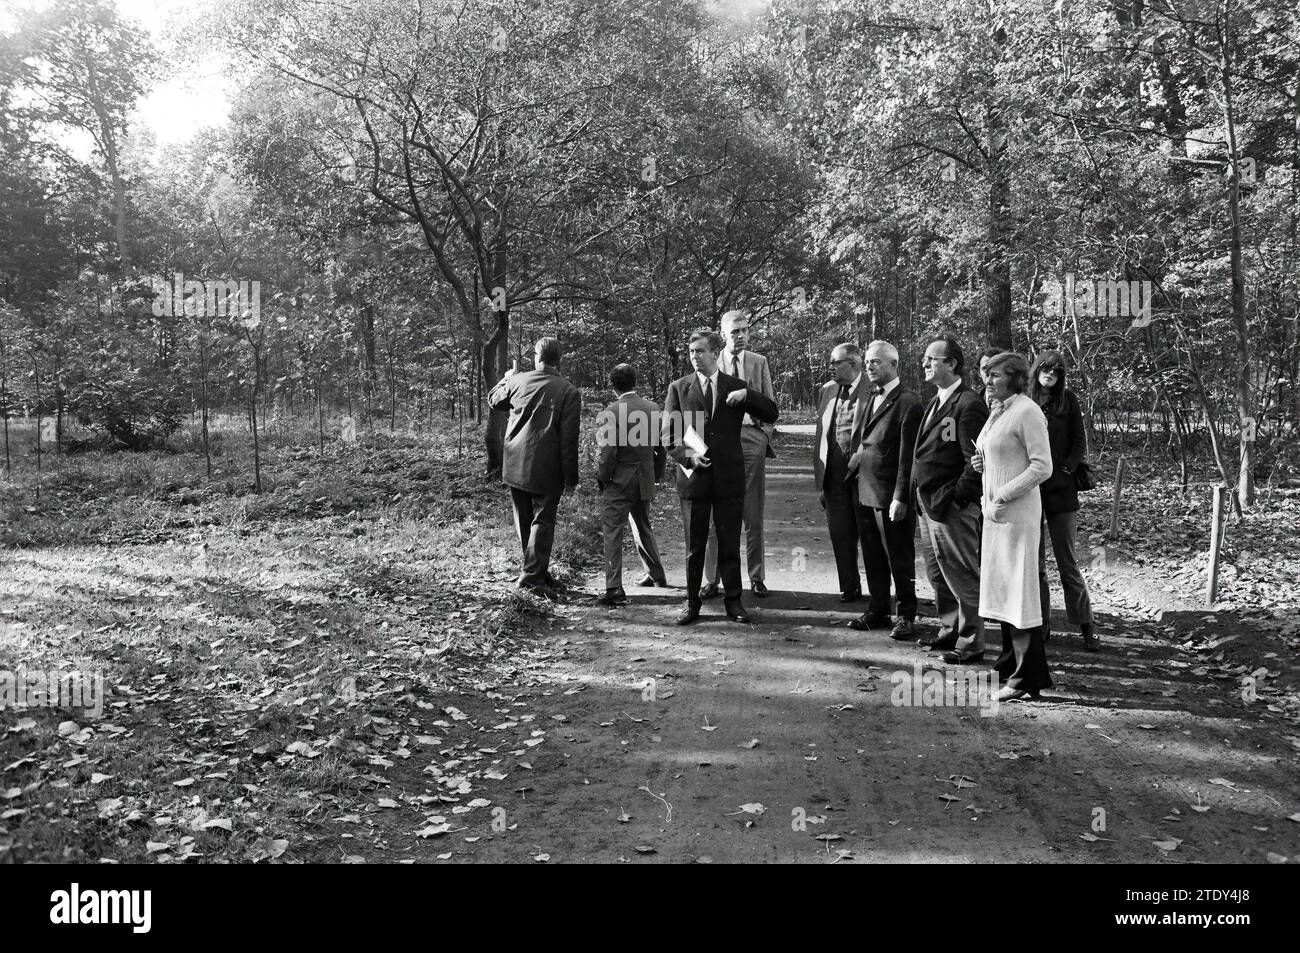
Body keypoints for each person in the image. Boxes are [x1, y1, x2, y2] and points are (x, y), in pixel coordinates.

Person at [663, 329, 779, 625]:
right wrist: (688, 456)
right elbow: (668, 434)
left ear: (716, 353)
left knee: (729, 543)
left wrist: (749, 395)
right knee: (694, 547)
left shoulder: (735, 386)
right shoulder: (678, 388)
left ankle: (734, 602)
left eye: (700, 351)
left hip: (729, 477)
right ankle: (692, 604)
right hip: (694, 478)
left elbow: (771, 413)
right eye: (691, 352)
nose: (694, 357)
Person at [972, 351, 1054, 701]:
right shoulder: (998, 410)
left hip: (1017, 515)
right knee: (1003, 589)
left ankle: (1025, 680)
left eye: (996, 376)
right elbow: (1001, 454)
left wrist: (1003, 493)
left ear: (1016, 378)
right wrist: (982, 463)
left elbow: (1042, 467)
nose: (988, 382)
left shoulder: (1028, 411)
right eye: (987, 376)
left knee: (1020, 591)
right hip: (995, 515)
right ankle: (1009, 664)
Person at [911, 336, 989, 661]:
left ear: (952, 363)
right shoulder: (935, 401)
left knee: (962, 573)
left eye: (932, 358)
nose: (925, 364)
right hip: (927, 506)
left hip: (950, 507)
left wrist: (956, 498)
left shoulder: (968, 403)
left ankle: (971, 643)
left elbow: (977, 462)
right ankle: (950, 630)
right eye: (925, 359)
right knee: (937, 574)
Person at [488, 337, 580, 600]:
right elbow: (569, 439)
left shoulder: (518, 381)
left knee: (526, 521)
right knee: (543, 522)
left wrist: (507, 378)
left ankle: (536, 572)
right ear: (558, 360)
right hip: (548, 469)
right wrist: (571, 478)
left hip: (515, 465)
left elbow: (494, 401)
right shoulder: (568, 390)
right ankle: (531, 578)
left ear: (537, 358)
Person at [847, 340, 923, 639]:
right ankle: (877, 608)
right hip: (864, 489)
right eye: (867, 361)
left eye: (876, 361)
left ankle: (906, 615)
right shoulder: (868, 396)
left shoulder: (909, 402)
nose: (869, 365)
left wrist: (901, 496)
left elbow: (909, 456)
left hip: (891, 494)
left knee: (899, 556)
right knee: (873, 556)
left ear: (894, 365)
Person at [702, 310, 778, 599]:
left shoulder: (759, 363)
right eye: (735, 331)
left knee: (752, 510)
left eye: (745, 330)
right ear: (723, 335)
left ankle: (756, 576)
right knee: (715, 510)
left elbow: (770, 405)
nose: (742, 336)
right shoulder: (711, 362)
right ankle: (713, 578)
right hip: (719, 445)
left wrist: (762, 436)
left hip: (751, 439)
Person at [1030, 350, 1099, 651]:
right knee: (1034, 564)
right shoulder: (1024, 400)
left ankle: (1087, 626)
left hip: (1061, 490)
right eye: (1045, 369)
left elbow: (1078, 442)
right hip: (1031, 490)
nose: (1050, 375)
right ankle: (1040, 623)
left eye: (1056, 371)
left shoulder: (1068, 400)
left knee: (1067, 562)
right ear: (1036, 370)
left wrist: (1067, 470)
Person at [594, 363, 669, 606]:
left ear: (612, 385)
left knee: (613, 532)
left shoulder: (611, 412)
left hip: (620, 481)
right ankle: (656, 575)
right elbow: (661, 448)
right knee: (642, 524)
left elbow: (607, 454)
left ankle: (614, 588)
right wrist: (656, 475)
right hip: (644, 478)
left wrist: (603, 479)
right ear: (635, 382)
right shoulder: (653, 408)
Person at [813, 343, 870, 602]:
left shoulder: (873, 388)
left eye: (837, 362)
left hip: (863, 474)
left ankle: (880, 592)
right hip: (833, 474)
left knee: (869, 535)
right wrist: (820, 480)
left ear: (855, 363)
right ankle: (850, 587)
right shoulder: (827, 390)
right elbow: (820, 435)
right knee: (840, 532)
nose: (832, 367)